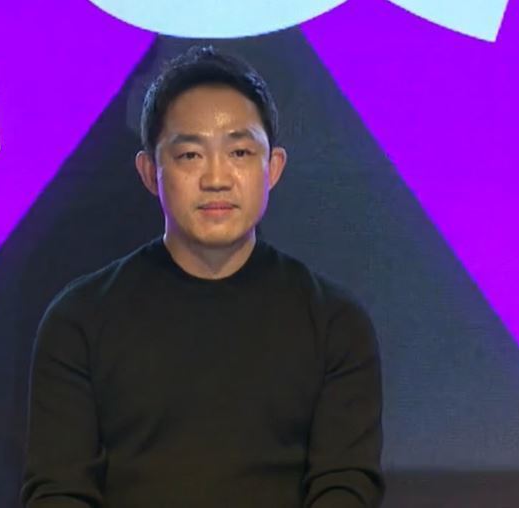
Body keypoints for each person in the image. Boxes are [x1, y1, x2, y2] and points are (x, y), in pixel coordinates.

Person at [21, 45, 384, 507]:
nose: (216, 178)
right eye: (190, 155)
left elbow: (346, 487)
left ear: (272, 168)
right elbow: (59, 491)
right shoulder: (80, 321)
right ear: (150, 172)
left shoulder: (334, 324)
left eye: (239, 151)